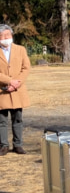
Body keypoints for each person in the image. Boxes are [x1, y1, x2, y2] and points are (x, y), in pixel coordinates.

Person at [0, 24, 31, 156]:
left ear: (11, 35)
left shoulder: (21, 49)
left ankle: (18, 145)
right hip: (2, 90)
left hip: (17, 90)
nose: (4, 38)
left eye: (6, 35)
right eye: (1, 36)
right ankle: (3, 145)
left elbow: (26, 68)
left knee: (17, 119)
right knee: (1, 121)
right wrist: (9, 81)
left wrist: (16, 83)